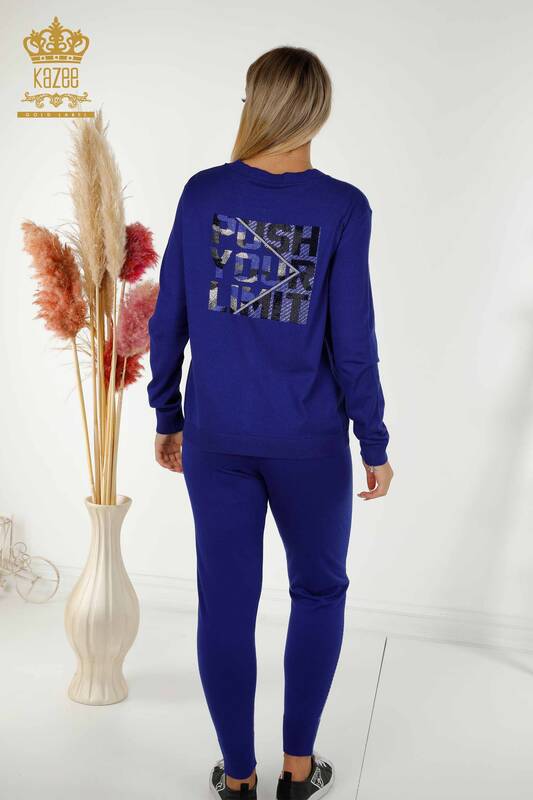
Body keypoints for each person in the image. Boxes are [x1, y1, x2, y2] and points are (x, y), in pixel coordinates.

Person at [147, 45, 393, 800]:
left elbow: (168, 317)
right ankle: (296, 771)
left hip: (216, 437)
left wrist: (167, 413)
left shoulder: (203, 193)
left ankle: (238, 779)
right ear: (318, 110)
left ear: (254, 104)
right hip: (308, 443)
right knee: (317, 592)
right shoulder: (342, 207)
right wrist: (373, 440)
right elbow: (353, 341)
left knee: (226, 604)